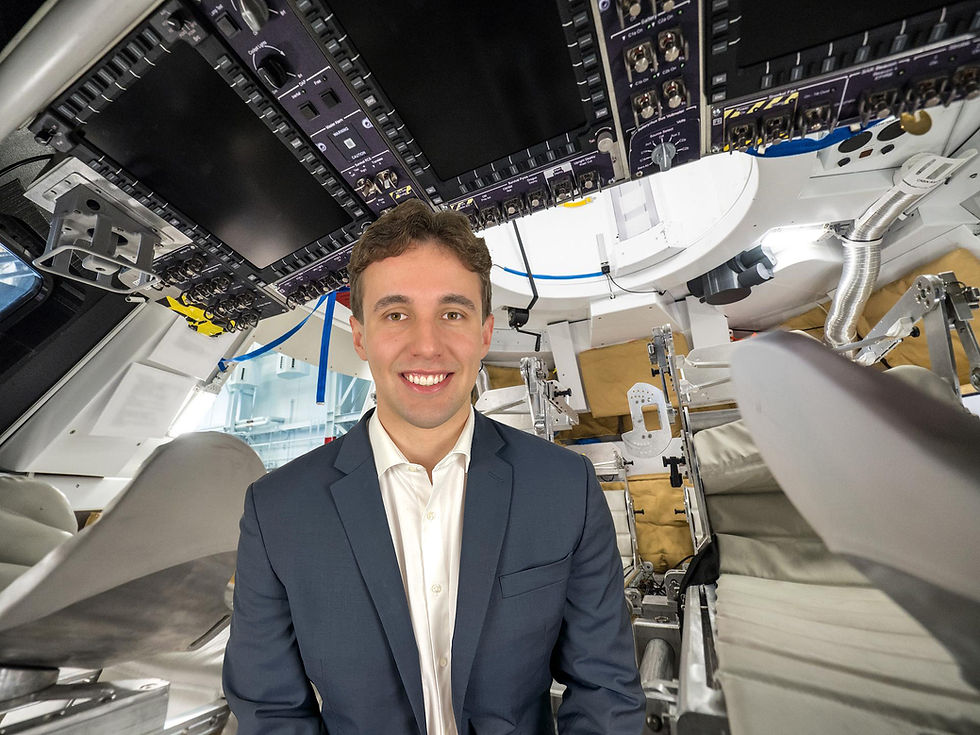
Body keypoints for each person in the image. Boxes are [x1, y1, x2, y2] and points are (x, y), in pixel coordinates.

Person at [223, 199, 645, 734]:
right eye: (396, 315)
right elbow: (270, 711)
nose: (427, 346)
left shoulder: (565, 487)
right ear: (361, 337)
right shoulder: (277, 510)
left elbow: (605, 690)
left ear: (485, 333)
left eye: (452, 314)